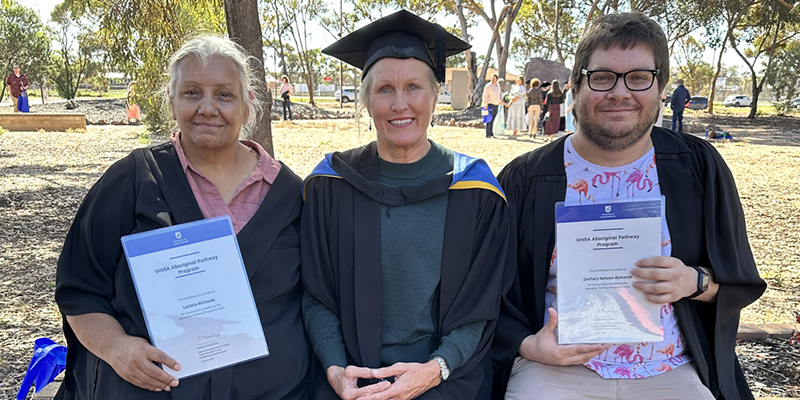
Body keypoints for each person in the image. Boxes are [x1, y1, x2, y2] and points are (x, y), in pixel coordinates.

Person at [493, 12, 765, 400]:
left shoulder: (698, 167)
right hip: (554, 368)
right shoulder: (525, 179)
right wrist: (528, 345)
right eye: (602, 77)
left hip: (670, 368)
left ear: (660, 87)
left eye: (638, 78)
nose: (620, 93)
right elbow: (489, 293)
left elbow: (737, 281)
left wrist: (691, 281)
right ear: (576, 86)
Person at [54, 36, 314, 399]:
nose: (208, 108)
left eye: (224, 95)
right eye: (192, 93)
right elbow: (80, 289)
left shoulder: (291, 195)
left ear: (247, 104)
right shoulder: (134, 181)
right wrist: (116, 348)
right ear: (172, 100)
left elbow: (318, 301)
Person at [303, 10, 512, 400]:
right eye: (384, 89)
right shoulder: (331, 185)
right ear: (366, 101)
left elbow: (481, 306)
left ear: (434, 95)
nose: (400, 104)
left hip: (444, 377)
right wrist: (335, 368)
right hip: (349, 378)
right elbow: (317, 293)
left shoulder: (476, 190)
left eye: (413, 87)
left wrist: (436, 369)